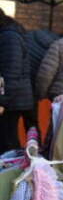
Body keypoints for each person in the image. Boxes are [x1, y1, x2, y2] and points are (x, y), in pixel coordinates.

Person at [0, 9, 33, 152]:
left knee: (7, 141)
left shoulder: (9, 37)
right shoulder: (8, 35)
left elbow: (12, 73)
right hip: (11, 98)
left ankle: (11, 172)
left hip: (11, 100)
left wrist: (2, 102)